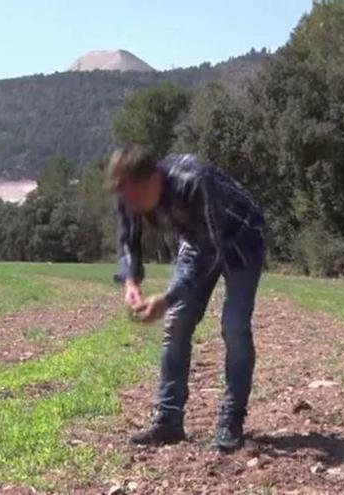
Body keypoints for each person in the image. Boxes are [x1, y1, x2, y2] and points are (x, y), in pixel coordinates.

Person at [108, 145, 266, 452]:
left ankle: (230, 422)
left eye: (135, 198)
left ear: (153, 179)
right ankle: (168, 421)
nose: (132, 206)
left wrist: (167, 297)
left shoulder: (195, 183)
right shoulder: (130, 191)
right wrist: (130, 282)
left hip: (243, 238)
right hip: (198, 240)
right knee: (177, 322)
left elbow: (211, 253)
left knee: (234, 327)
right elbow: (128, 238)